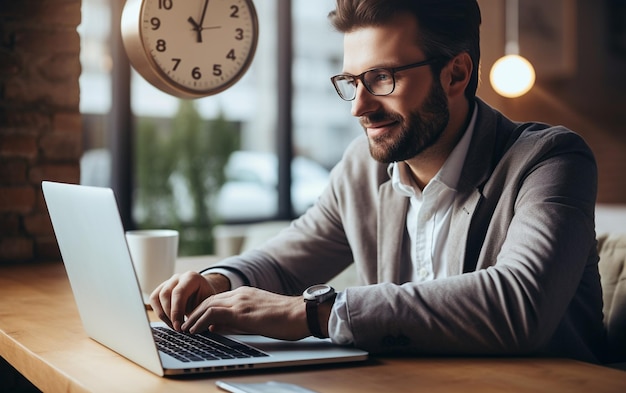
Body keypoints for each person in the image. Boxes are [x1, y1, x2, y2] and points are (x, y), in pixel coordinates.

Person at [151, 0, 607, 363]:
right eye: (352, 81)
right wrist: (218, 282)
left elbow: (519, 305)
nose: (358, 107)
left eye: (382, 78)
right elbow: (289, 260)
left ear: (456, 73)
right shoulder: (362, 168)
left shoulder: (549, 160)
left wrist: (312, 314)